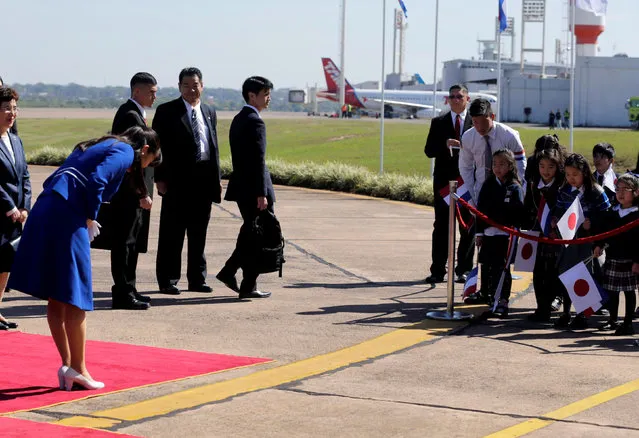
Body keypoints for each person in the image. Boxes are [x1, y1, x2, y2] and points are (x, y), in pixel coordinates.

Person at [8, 126, 161, 391]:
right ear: (144, 149)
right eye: (149, 162)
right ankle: (79, 368)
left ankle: (68, 366)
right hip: (68, 214)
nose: (142, 168)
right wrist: (91, 215)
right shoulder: (125, 150)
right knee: (76, 295)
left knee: (57, 295)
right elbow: (98, 179)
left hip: (47, 207)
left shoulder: (98, 144)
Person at [153, 67, 222, 295]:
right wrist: (160, 178)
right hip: (176, 183)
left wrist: (217, 179)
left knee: (198, 234)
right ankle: (168, 280)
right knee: (172, 234)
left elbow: (213, 147)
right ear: (179, 87)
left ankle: (197, 279)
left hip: (203, 183)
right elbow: (157, 148)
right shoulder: (166, 111)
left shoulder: (209, 111)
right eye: (186, 85)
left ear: (202, 85)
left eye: (195, 85)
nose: (191, 90)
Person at [216, 76, 275, 300]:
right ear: (252, 95)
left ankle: (242, 280)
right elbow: (258, 160)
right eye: (265, 94)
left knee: (252, 235)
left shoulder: (239, 118)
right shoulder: (255, 121)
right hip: (255, 189)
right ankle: (236, 276)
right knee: (258, 236)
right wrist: (261, 193)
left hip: (243, 187)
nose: (268, 99)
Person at [108, 72, 158, 310]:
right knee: (124, 243)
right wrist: (141, 192)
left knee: (133, 242)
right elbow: (132, 160)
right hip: (129, 192)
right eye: (151, 91)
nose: (154, 96)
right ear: (137, 91)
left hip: (137, 190)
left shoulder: (138, 113)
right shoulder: (129, 115)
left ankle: (130, 288)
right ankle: (122, 292)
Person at [552, 153, 610, 329]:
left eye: (575, 175)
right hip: (568, 241)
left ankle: (583, 314)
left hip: (588, 242)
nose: (571, 179)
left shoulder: (597, 192)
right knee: (567, 275)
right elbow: (559, 210)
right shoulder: (564, 191)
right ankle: (566, 312)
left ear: (584, 172)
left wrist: (591, 225)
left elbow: (607, 217)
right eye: (568, 175)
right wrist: (554, 220)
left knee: (585, 277)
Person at [424, 84, 475, 284]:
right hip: (445, 182)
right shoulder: (438, 122)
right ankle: (437, 270)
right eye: (452, 96)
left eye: (459, 96)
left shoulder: (475, 122)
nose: (455, 99)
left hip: (467, 182)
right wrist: (444, 145)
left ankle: (463, 269)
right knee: (442, 227)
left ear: (467, 99)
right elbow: (429, 150)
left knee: (467, 227)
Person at [471, 149, 525, 316]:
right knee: (486, 265)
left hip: (505, 236)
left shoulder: (514, 187)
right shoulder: (488, 185)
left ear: (510, 166)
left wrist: (507, 224)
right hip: (488, 234)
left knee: (502, 268)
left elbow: (517, 213)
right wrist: (479, 233)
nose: (498, 168)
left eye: (502, 164)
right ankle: (486, 295)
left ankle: (502, 299)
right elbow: (480, 209)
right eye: (495, 164)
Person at [0, 87, 31, 330]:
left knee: (5, 265)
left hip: (15, 217)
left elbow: (25, 176)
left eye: (14, 108)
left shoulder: (15, 140)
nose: (12, 113)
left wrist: (24, 207)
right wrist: (10, 207)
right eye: (6, 108)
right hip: (2, 212)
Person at [593, 173, 639, 335]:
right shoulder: (613, 212)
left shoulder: (636, 215)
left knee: (629, 291)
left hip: (630, 260)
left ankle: (627, 322)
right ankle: (613, 320)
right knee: (612, 291)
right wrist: (599, 245)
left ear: (636, 192)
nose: (620, 193)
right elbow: (604, 232)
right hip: (613, 257)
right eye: (618, 189)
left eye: (625, 189)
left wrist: (637, 261)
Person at [523, 148, 565, 322]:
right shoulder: (534, 185)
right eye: (542, 166)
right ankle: (541, 307)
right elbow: (527, 207)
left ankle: (554, 302)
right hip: (537, 235)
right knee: (538, 271)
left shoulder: (563, 187)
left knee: (555, 271)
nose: (546, 171)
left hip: (557, 237)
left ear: (557, 168)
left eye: (550, 167)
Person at [459, 98, 526, 206]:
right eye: (475, 122)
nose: (479, 127)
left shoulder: (510, 135)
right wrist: (470, 197)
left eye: (483, 122)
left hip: (506, 192)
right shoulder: (467, 137)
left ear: (492, 117)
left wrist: (517, 191)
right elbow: (465, 168)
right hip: (480, 191)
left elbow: (520, 166)